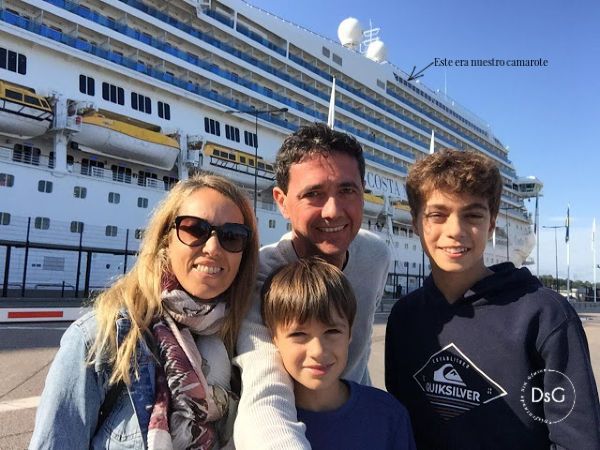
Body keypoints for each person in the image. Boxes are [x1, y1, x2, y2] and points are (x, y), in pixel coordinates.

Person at [385, 149, 600, 449]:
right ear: (416, 222)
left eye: (472, 215)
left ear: (492, 223)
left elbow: (577, 440)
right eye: (438, 215)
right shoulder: (404, 318)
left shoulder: (544, 315)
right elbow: (399, 426)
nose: (455, 231)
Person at [30, 174, 258, 449]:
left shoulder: (246, 340)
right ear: (165, 240)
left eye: (232, 236)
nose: (212, 248)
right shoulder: (99, 339)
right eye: (194, 229)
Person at [234, 123, 391, 449]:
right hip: (296, 424)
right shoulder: (262, 276)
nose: (333, 211)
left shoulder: (376, 255)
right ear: (282, 201)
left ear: (363, 190)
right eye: (313, 194)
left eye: (347, 190)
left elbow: (361, 353)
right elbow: (264, 385)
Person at [261, 257, 416, 450]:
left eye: (332, 331)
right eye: (299, 334)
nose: (318, 351)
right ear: (273, 336)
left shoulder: (389, 416)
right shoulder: (262, 424)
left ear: (350, 333)